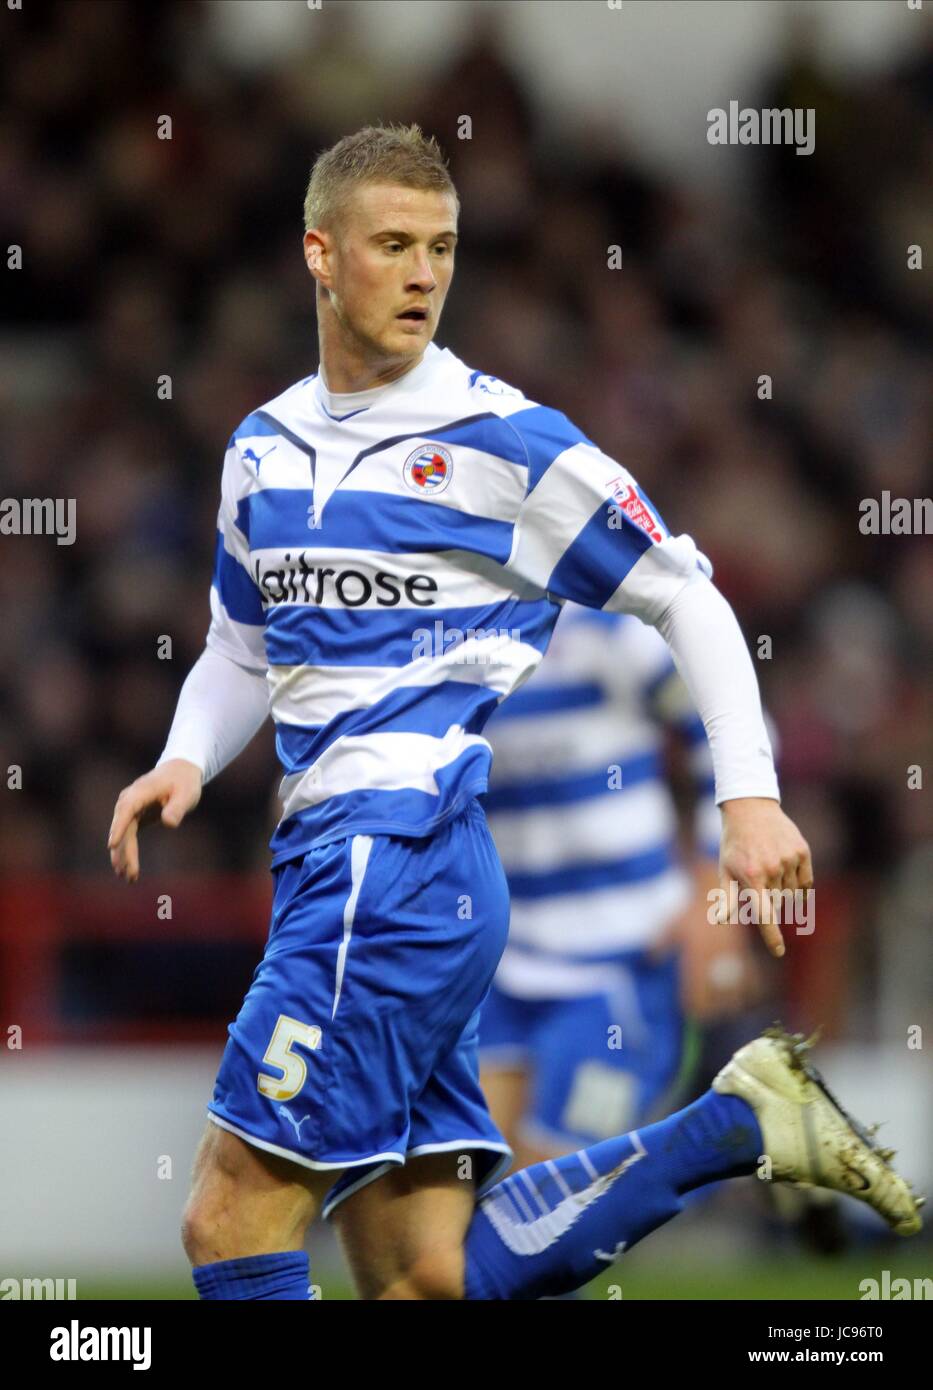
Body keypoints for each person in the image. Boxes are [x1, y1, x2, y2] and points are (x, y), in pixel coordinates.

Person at [107, 124, 920, 1301]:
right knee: (422, 1278)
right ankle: (733, 1125)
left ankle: (728, 1119)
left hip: (394, 858)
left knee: (229, 1223)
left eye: (441, 246)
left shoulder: (509, 445)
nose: (425, 273)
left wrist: (749, 802)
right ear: (319, 255)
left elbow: (687, 597)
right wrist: (185, 755)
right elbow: (241, 643)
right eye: (393, 245)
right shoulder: (260, 449)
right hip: (368, 869)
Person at [478, 605, 749, 1170]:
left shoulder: (607, 628)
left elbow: (735, 730)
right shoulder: (450, 631)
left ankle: (763, 1155)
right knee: (453, 1192)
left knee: (546, 1195)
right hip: (500, 961)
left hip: (624, 958)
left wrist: (712, 896)